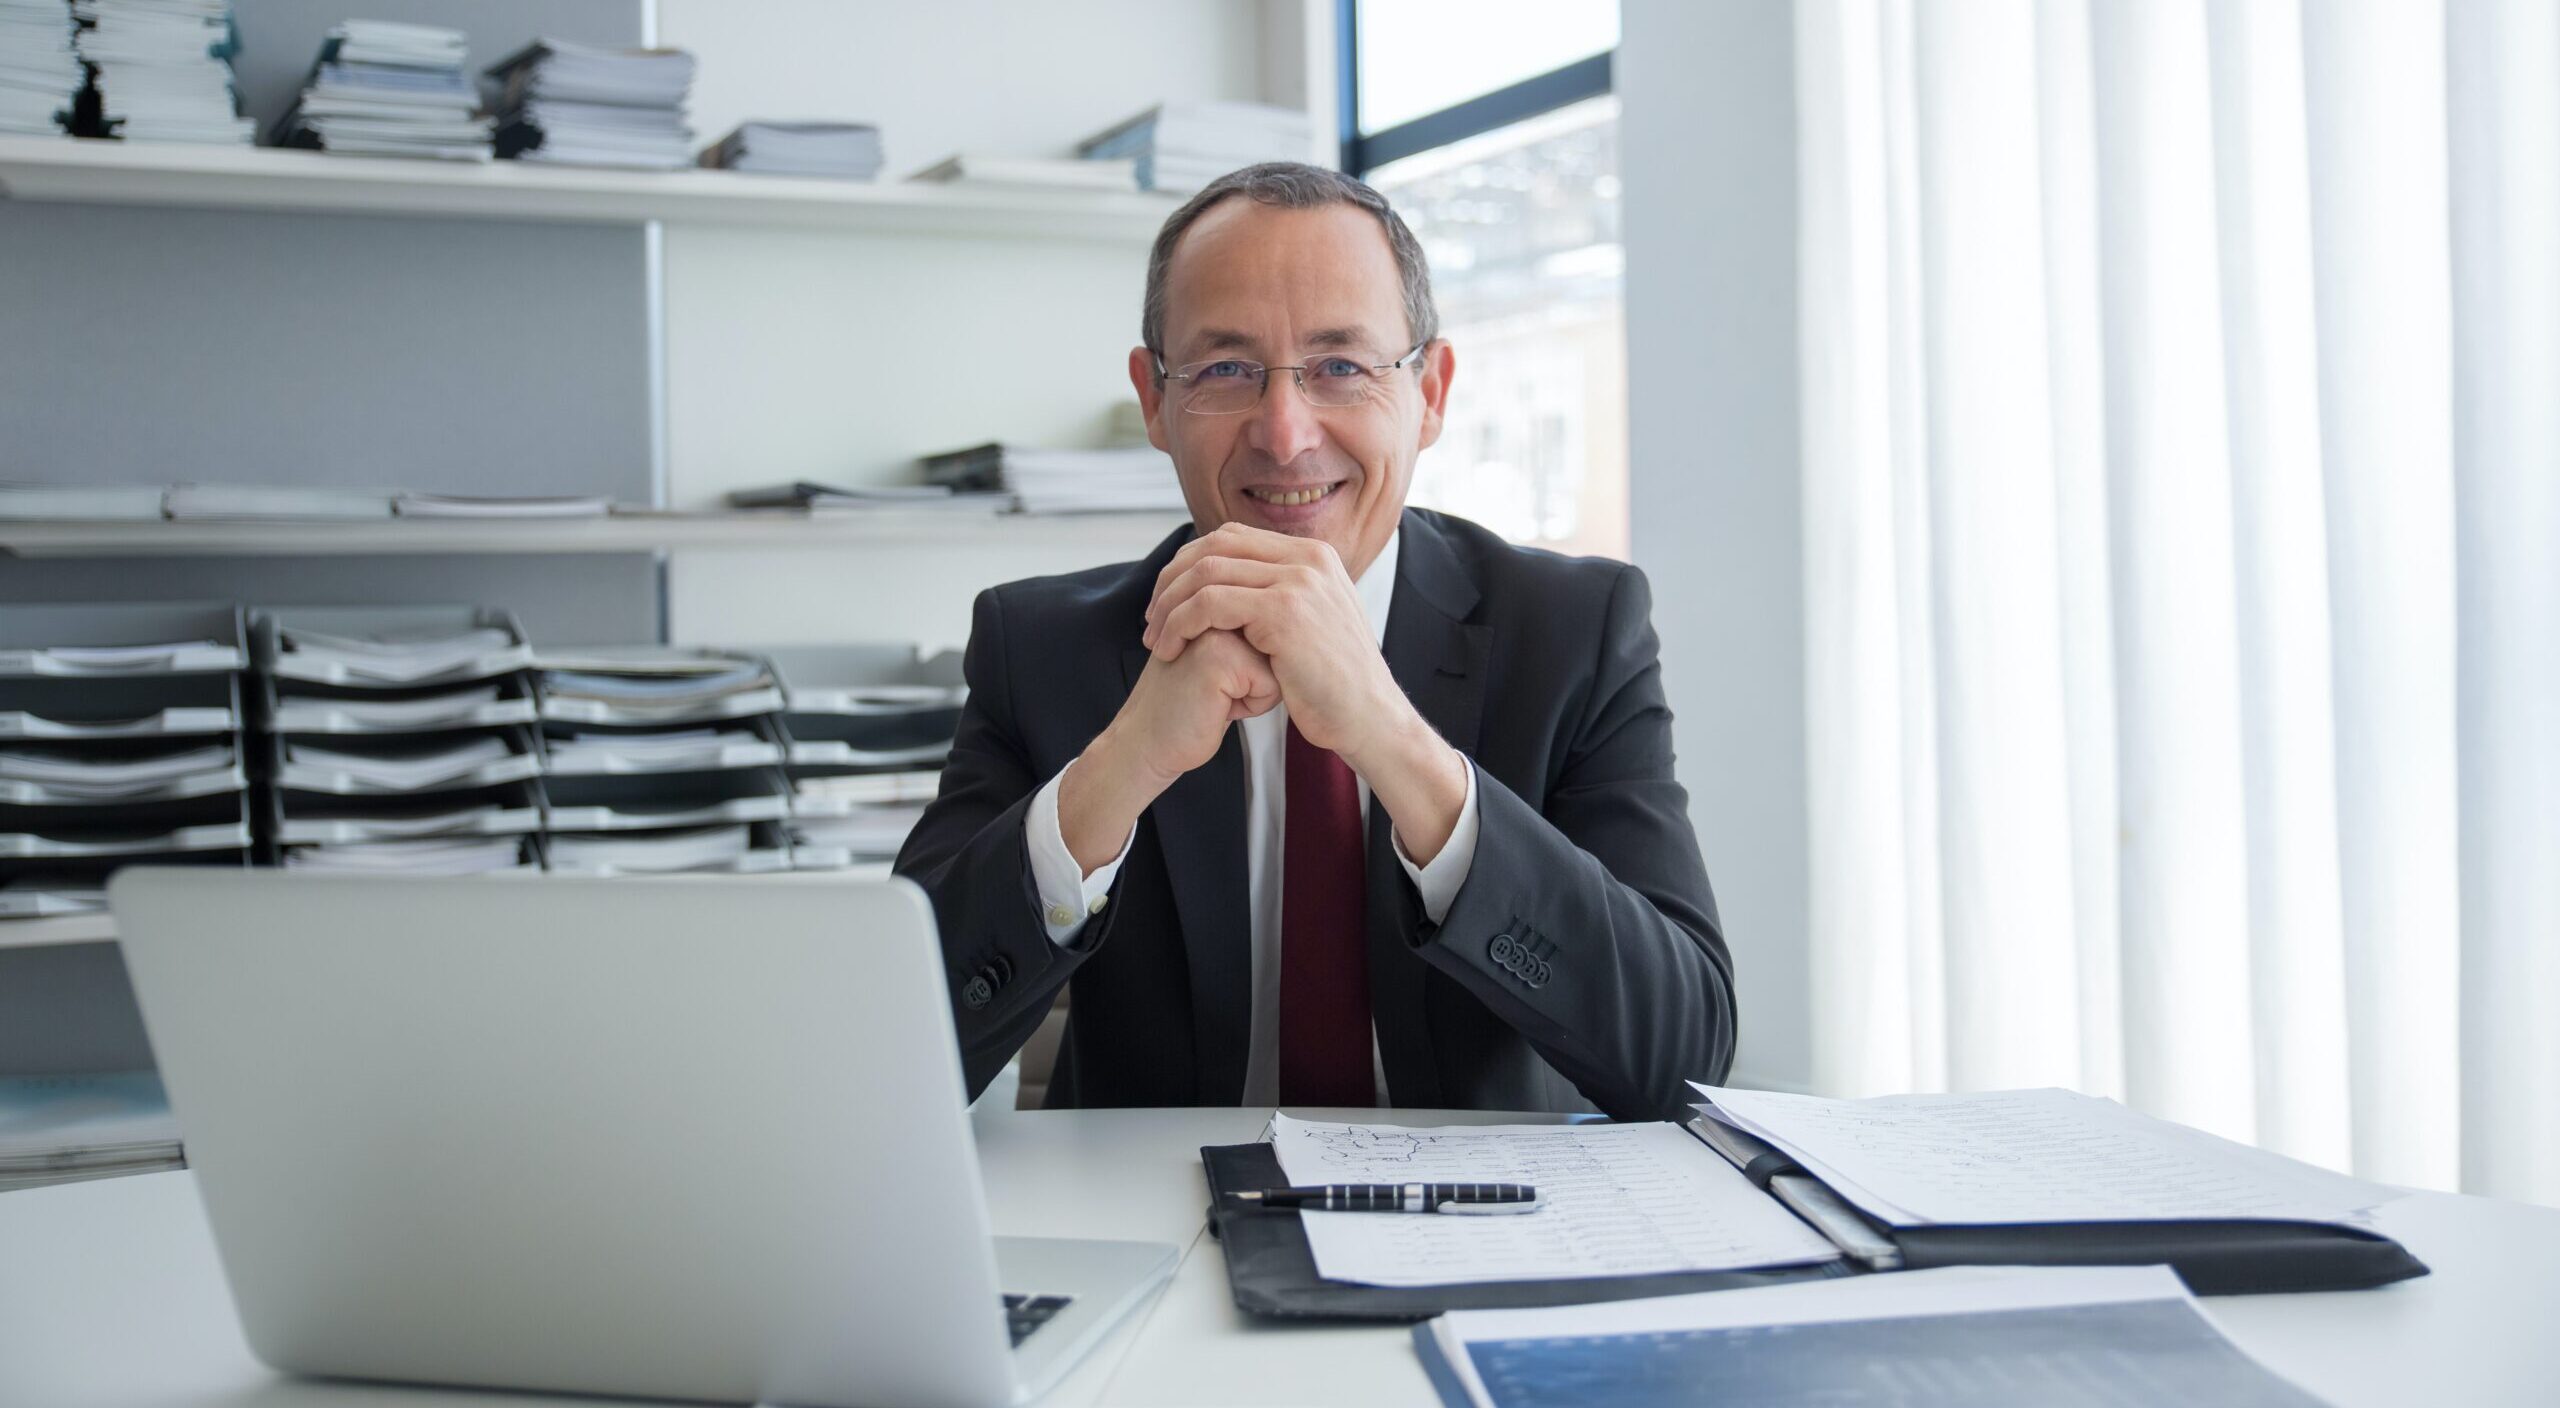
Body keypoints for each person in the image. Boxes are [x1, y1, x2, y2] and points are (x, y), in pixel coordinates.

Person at [896, 162, 1732, 1122]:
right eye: (1225, 370)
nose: (1286, 434)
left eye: (1341, 365)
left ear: (1431, 392)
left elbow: (1684, 1058)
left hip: (1479, 1241)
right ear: (1155, 401)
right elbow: (885, 1062)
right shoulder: (1040, 647)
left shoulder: (1575, 632)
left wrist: (1392, 739)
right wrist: (1120, 769)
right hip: (1154, 1229)